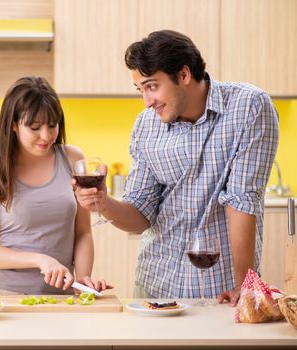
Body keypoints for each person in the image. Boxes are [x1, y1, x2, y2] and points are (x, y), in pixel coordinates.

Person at [74, 30, 279, 306]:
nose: (147, 101)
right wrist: (103, 202)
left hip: (219, 289)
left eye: (152, 86)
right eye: (141, 90)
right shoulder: (147, 125)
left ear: (183, 75)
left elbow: (242, 200)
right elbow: (140, 214)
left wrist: (243, 285)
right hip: (155, 283)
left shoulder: (248, 107)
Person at [0, 76, 111, 297]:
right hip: (4, 294)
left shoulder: (72, 158)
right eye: (34, 127)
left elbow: (83, 233)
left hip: (60, 296)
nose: (46, 136)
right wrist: (38, 259)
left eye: (52, 125)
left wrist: (82, 282)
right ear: (14, 125)